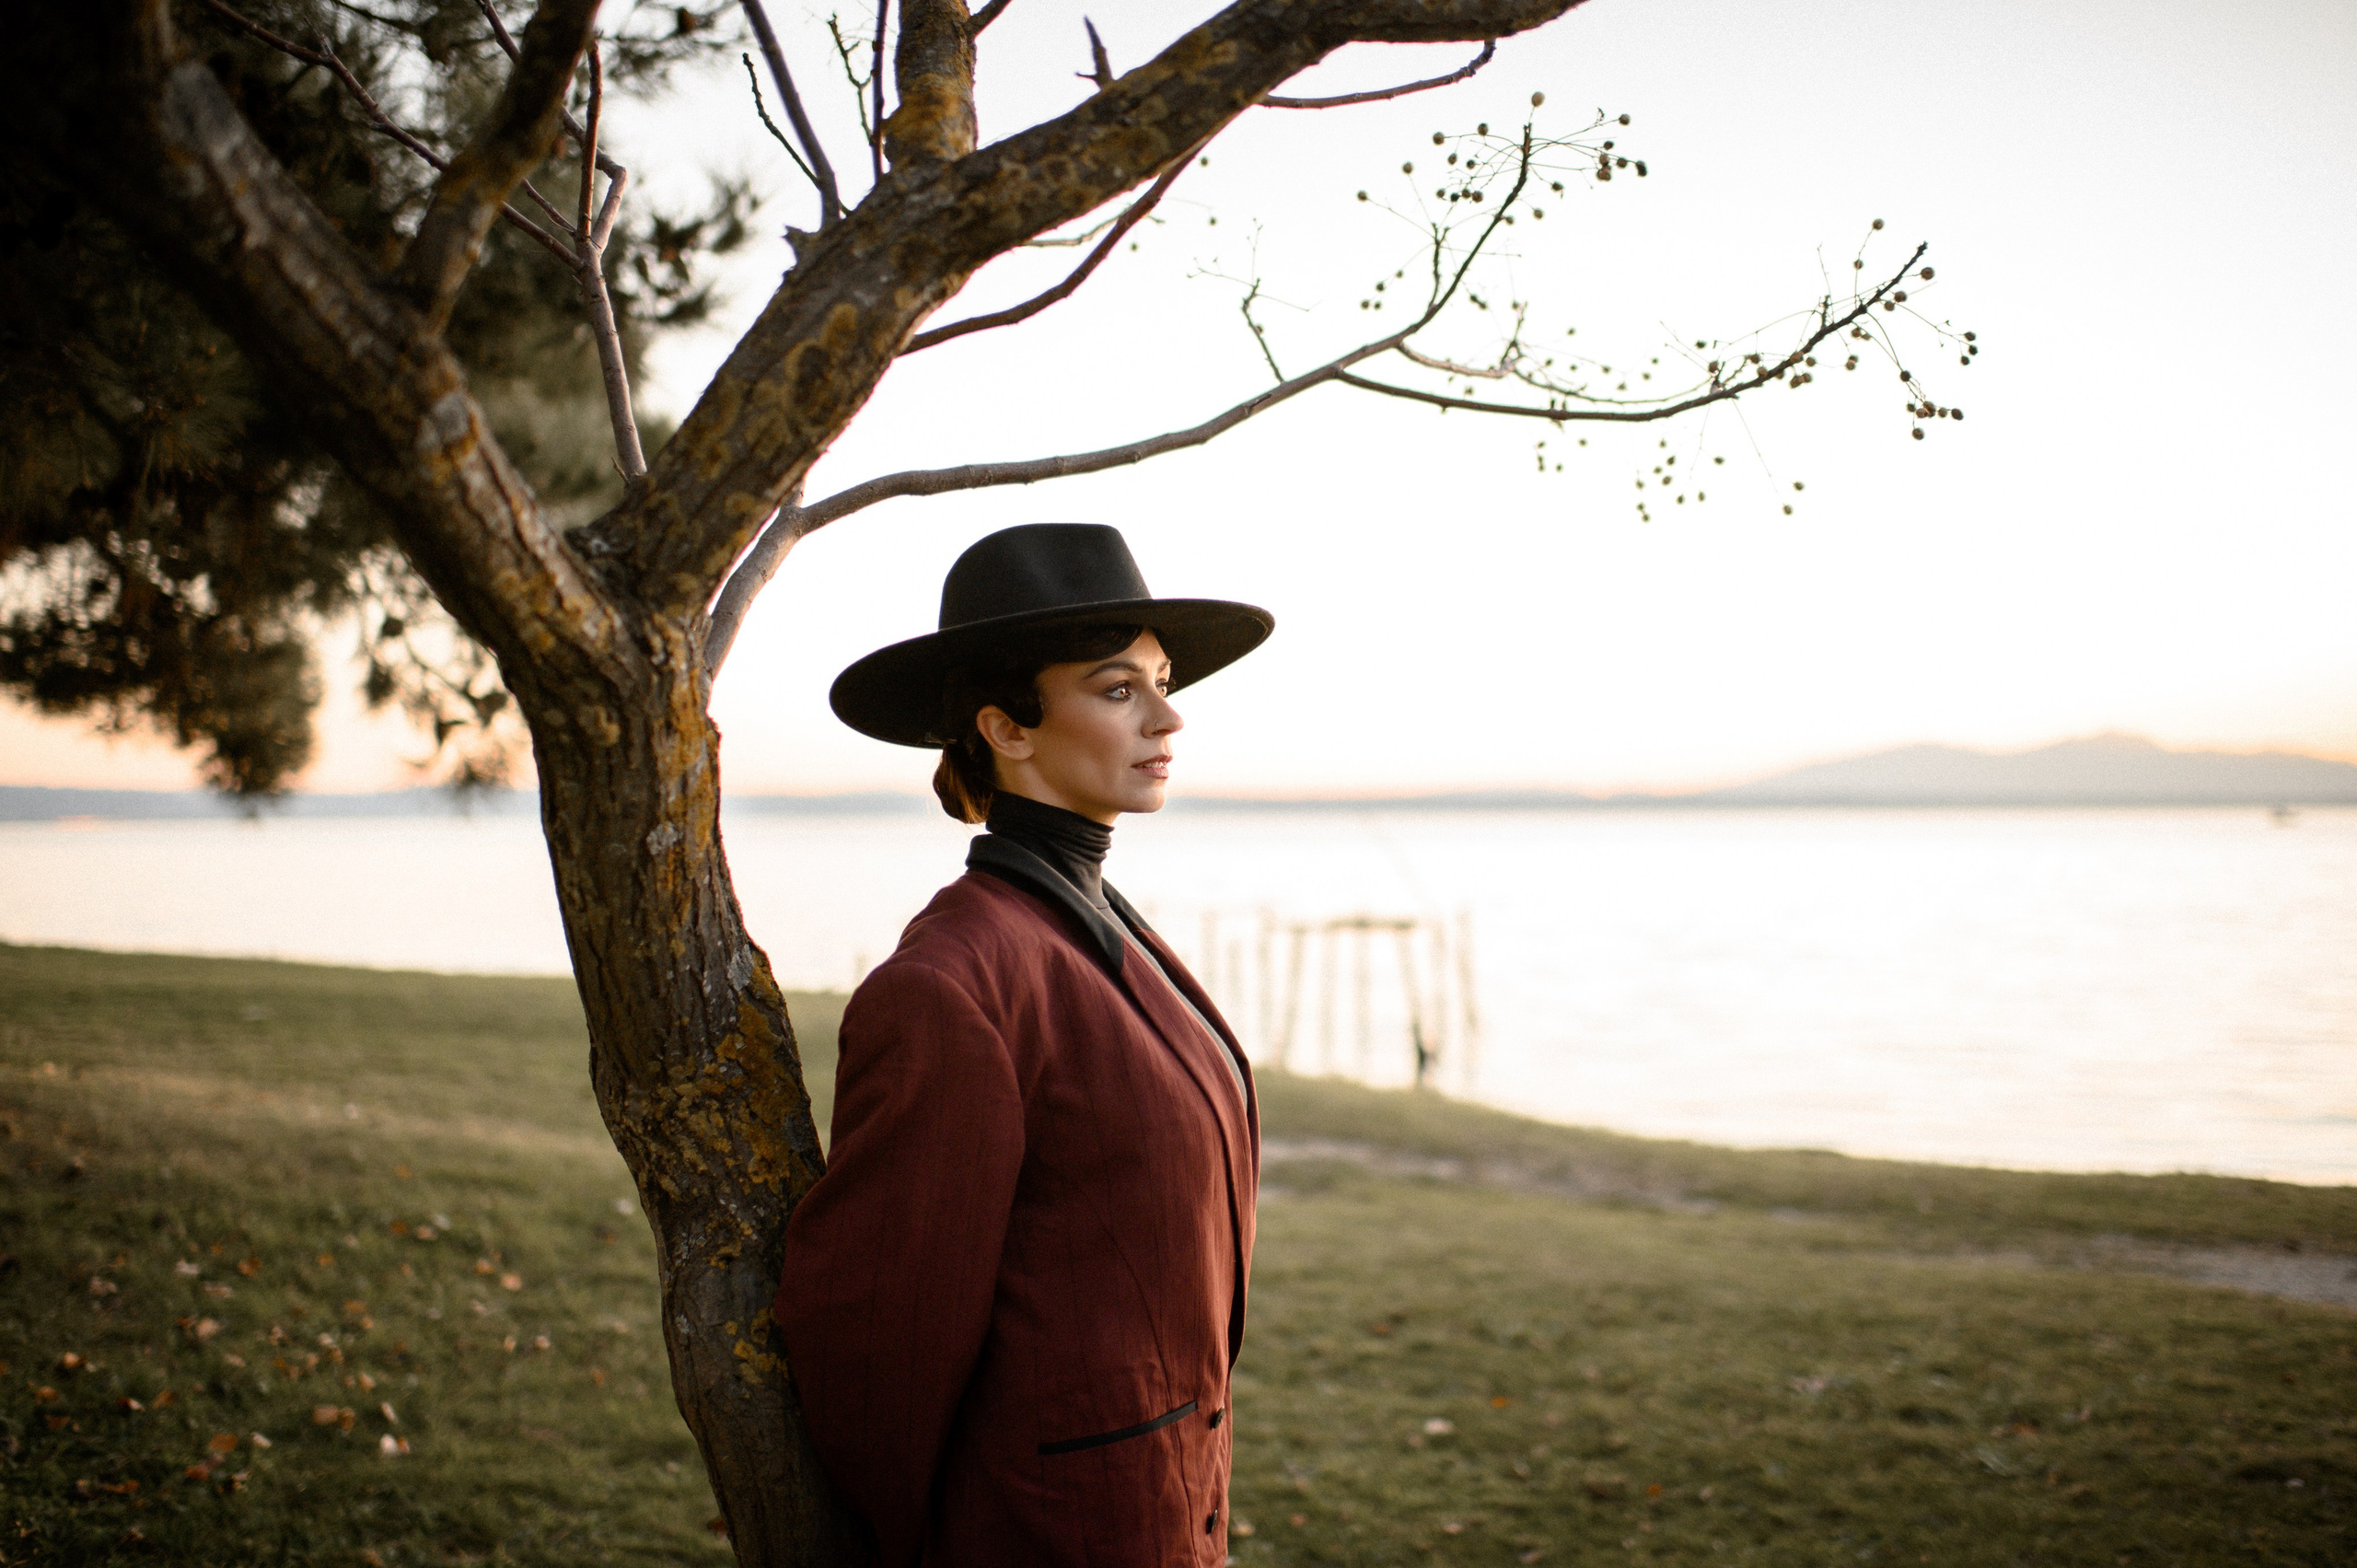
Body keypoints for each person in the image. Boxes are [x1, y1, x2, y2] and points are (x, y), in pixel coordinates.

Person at [776, 523, 1274, 1567]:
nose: (1167, 715)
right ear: (1006, 726)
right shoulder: (949, 986)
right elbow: (878, 1351)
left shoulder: (1106, 921)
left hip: (1175, 1515)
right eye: (1116, 687)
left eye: (1162, 679)